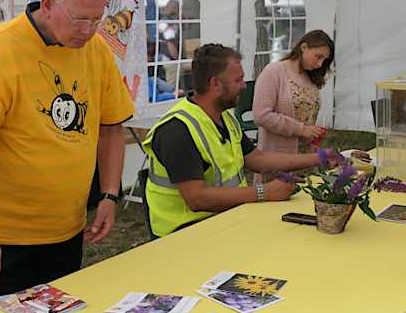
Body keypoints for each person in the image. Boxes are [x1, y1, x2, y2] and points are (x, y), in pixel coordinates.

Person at [0, 0, 134, 310]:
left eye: (97, 20)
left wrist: (109, 194)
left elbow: (111, 127)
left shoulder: (96, 51)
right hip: (4, 239)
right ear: (48, 4)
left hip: (65, 229)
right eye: (80, 19)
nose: (89, 31)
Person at [142, 43, 336, 238]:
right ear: (215, 84)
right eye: (239, 80)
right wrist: (264, 192)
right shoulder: (177, 130)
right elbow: (197, 198)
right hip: (184, 235)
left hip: (225, 219)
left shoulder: (224, 118)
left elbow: (257, 159)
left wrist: (320, 157)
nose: (244, 86)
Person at [252, 30, 335, 168]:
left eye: (324, 60)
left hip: (306, 159)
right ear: (304, 48)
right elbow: (261, 115)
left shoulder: (310, 76)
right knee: (273, 189)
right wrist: (301, 129)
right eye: (318, 57)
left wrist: (312, 132)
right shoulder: (273, 72)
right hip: (278, 158)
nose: (320, 64)